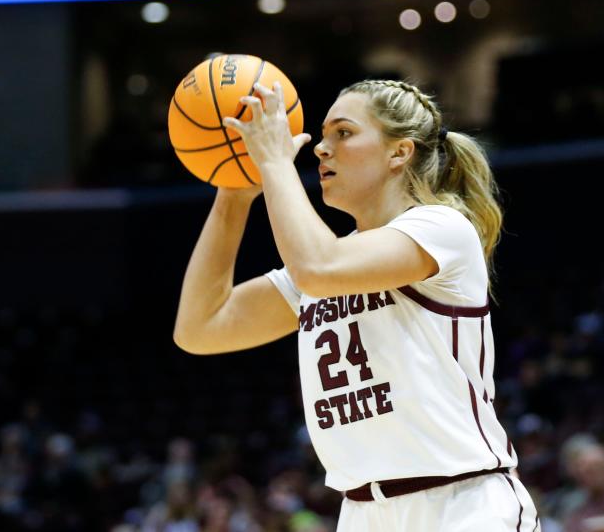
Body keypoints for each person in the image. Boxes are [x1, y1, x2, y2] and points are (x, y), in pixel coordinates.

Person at [174, 77, 541, 530]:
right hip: (363, 511)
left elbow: (319, 267)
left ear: (399, 152)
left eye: (343, 133)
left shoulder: (442, 229)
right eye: (323, 135)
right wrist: (234, 192)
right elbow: (200, 328)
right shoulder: (329, 263)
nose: (321, 149)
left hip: (460, 503)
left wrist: (273, 161)